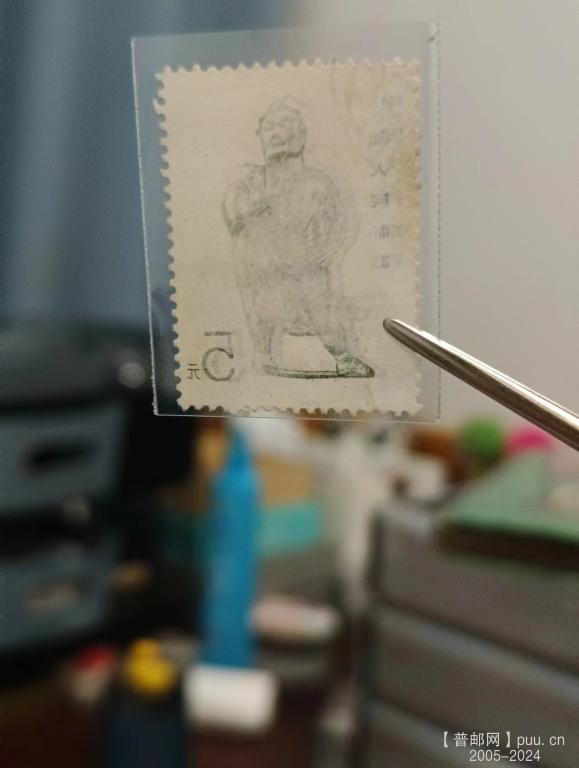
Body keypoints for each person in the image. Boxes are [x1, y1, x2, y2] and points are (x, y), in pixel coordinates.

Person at [223, 98, 374, 378]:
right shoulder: (252, 180)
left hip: (308, 263)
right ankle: (263, 354)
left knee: (323, 310)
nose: (277, 132)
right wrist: (255, 205)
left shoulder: (318, 181)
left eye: (285, 124)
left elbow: (341, 224)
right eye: (270, 127)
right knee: (265, 304)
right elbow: (234, 216)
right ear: (260, 136)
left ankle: (343, 357)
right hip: (266, 264)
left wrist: (327, 254)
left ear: (302, 133)